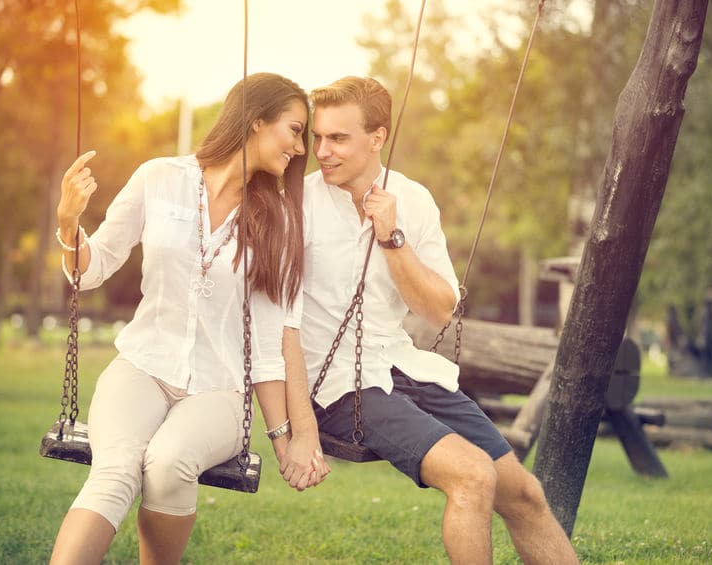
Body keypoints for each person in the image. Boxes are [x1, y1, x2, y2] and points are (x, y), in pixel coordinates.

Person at [49, 72, 329, 565]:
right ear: (256, 121)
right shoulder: (159, 177)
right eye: (295, 129)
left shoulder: (280, 218)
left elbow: (267, 345)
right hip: (142, 366)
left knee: (168, 463)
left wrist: (285, 437)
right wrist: (69, 222)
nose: (300, 146)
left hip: (219, 390)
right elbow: (89, 272)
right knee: (115, 469)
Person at [300, 76, 578, 564]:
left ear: (377, 137)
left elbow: (439, 309)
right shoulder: (296, 204)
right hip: (337, 385)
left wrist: (392, 239)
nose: (322, 151)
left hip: (404, 368)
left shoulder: (413, 200)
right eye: (317, 137)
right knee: (473, 476)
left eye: (338, 138)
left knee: (524, 495)